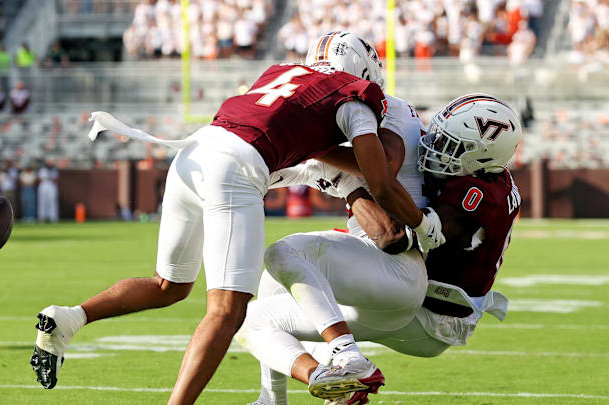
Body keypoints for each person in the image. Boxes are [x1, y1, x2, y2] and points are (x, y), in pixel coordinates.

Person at [30, 32, 445, 405]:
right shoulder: (353, 97)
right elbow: (383, 179)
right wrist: (423, 223)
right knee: (228, 311)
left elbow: (288, 157)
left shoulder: (281, 73)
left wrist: (325, 171)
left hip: (192, 154)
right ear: (362, 73)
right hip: (236, 169)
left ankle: (70, 317)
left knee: (168, 286)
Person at [235, 94, 523, 404]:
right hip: (418, 298)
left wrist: (347, 184)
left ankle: (340, 370)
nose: (436, 148)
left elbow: (394, 237)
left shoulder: (477, 196)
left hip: (433, 319)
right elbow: (325, 171)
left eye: (451, 147)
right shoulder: (475, 176)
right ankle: (274, 399)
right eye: (439, 136)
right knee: (275, 283)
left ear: (482, 160)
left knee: (249, 319)